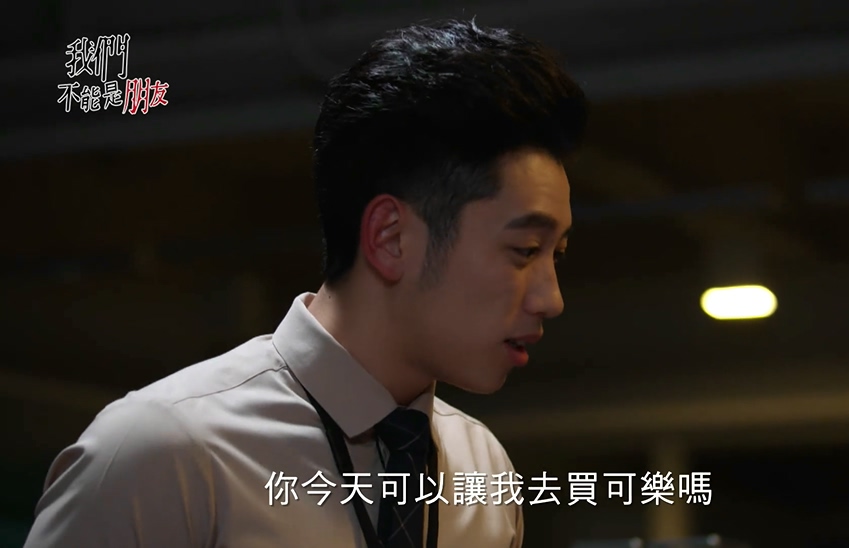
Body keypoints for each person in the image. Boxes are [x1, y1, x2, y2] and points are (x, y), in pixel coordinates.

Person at [24, 18, 587, 548]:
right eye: (524, 250)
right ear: (391, 238)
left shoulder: (483, 470)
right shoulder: (165, 453)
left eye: (556, 254)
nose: (552, 298)